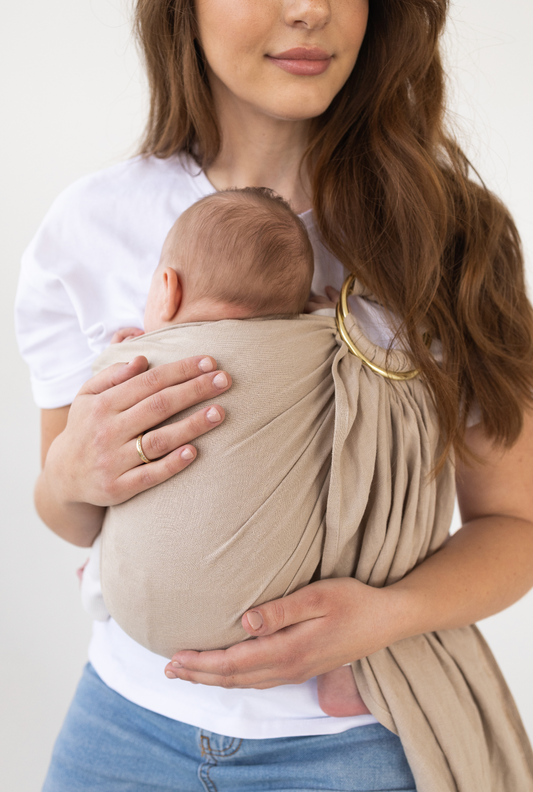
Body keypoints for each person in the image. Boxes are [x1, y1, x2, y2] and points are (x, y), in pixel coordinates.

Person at [14, 0, 533, 790]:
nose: (309, 10)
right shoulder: (88, 226)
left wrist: (384, 617)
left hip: (351, 746)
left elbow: (514, 525)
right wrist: (70, 476)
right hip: (121, 731)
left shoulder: (450, 239)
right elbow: (68, 518)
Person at [81, 184, 368, 716]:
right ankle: (342, 673)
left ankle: (101, 576)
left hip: (135, 618)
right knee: (338, 498)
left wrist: (122, 349)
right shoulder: (322, 342)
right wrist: (325, 315)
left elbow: (93, 420)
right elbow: (348, 335)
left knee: (130, 515)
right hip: (274, 615)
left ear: (166, 289)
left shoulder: (135, 362)